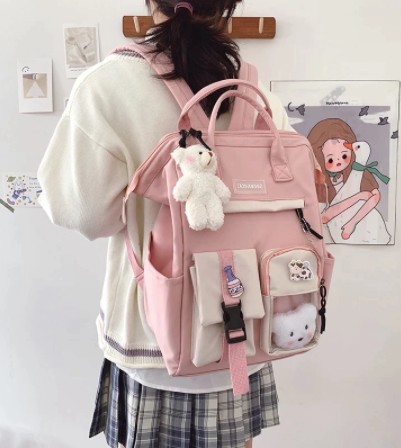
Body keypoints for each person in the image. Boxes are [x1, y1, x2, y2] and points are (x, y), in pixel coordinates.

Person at [37, 1, 292, 447]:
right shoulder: (255, 94)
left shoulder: (109, 85)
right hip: (245, 337)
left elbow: (81, 213)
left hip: (151, 342)